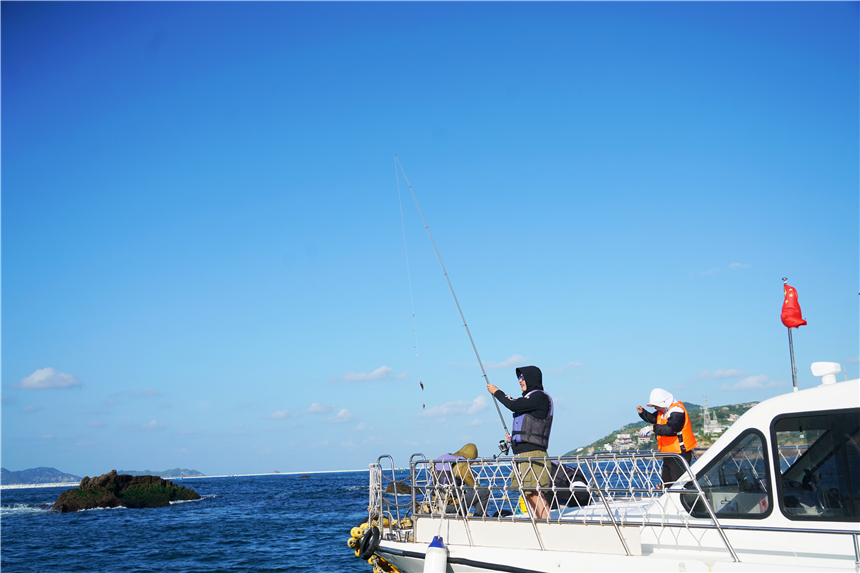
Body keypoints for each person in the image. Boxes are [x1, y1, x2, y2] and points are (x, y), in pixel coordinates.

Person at [487, 366, 553, 519]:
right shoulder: (529, 399)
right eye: (519, 378)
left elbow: (514, 405)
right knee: (527, 492)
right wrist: (514, 438)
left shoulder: (539, 397)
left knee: (534, 492)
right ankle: (539, 523)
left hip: (533, 454)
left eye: (523, 378)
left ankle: (548, 524)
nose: (520, 381)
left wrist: (497, 391)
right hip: (522, 453)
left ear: (532, 378)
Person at [636, 388, 698, 486]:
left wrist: (653, 428)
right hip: (669, 451)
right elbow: (653, 419)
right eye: (654, 406)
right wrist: (642, 412)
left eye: (657, 406)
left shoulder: (677, 411)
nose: (656, 408)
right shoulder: (663, 411)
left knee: (678, 482)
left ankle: (680, 497)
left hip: (680, 452)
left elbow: (671, 428)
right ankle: (665, 491)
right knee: (666, 479)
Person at [434, 443, 491, 517]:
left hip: (439, 504)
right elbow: (473, 487)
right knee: (484, 491)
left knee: (462, 494)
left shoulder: (444, 460)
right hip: (452, 506)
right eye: (472, 461)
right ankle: (479, 518)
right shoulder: (462, 464)